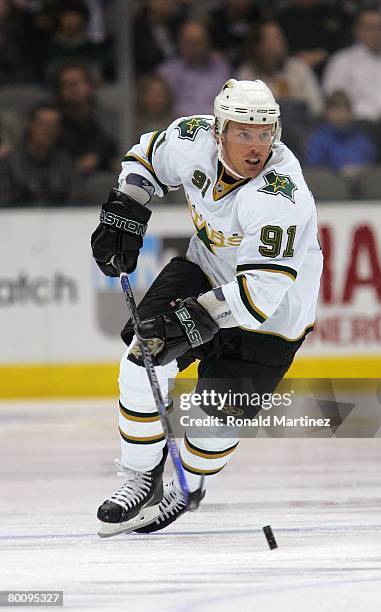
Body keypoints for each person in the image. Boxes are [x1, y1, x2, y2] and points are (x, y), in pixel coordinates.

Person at [91, 79, 323, 537]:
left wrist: (192, 319)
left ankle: (187, 484)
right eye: (244, 132)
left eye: (265, 133)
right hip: (206, 269)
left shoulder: (283, 198)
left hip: (273, 315)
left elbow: (260, 293)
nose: (257, 146)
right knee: (143, 358)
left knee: (212, 428)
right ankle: (140, 475)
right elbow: (146, 159)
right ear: (219, 131)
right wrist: (126, 209)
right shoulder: (191, 138)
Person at [323, 8, 381, 123]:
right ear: (357, 30)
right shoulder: (341, 61)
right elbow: (334, 98)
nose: (374, 32)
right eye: (368, 27)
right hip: (358, 125)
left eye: (379, 27)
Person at [0, 102, 81, 207]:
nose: (47, 130)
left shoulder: (66, 164)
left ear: (59, 131)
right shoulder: (8, 164)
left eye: (53, 126)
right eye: (42, 124)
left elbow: (76, 202)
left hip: (59, 220)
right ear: (30, 125)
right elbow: (4, 203)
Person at [53, 61, 118, 175]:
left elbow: (115, 150)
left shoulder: (106, 117)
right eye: (66, 84)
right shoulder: (53, 121)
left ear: (89, 86)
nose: (73, 90)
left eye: (76, 83)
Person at [157, 20, 231, 117]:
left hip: (215, 126)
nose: (194, 47)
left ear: (209, 43)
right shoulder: (166, 72)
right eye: (189, 42)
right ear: (180, 43)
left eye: (199, 42)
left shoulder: (222, 69)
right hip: (177, 128)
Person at [305, 91, 376, 175]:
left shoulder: (360, 137)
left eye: (342, 109)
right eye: (335, 110)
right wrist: (339, 171)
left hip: (360, 182)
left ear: (350, 112)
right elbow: (314, 168)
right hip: (330, 183)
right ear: (327, 113)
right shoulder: (319, 139)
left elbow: (371, 161)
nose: (339, 114)